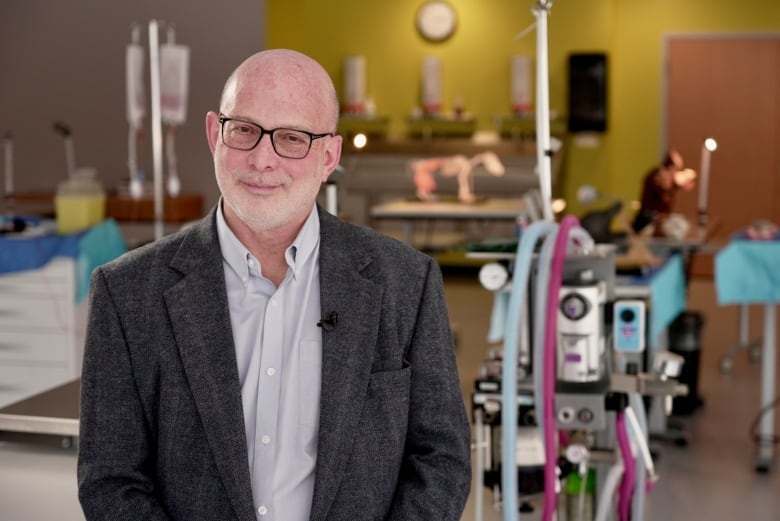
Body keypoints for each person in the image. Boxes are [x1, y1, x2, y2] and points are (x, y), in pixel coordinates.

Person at [77, 49, 471, 521]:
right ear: (213, 135)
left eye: (292, 138)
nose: (263, 159)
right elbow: (111, 479)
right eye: (244, 129)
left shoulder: (406, 282)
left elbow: (441, 460)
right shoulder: (126, 293)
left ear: (329, 156)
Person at [631, 148, 696, 234]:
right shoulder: (661, 175)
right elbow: (663, 195)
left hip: (654, 218)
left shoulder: (665, 176)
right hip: (649, 219)